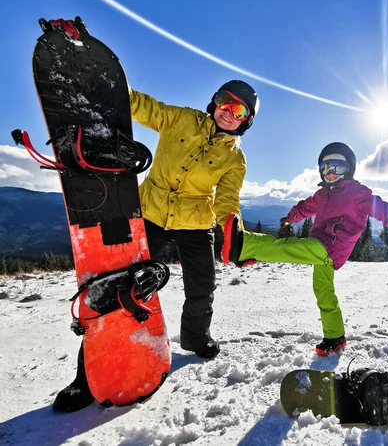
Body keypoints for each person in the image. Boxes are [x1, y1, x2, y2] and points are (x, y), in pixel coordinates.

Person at [52, 80, 259, 412]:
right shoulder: (182, 119)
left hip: (195, 223)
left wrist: (232, 228)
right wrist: (114, 87)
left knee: (203, 286)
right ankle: (86, 379)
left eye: (238, 109)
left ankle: (195, 337)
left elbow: (227, 200)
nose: (228, 111)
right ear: (214, 101)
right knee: (119, 284)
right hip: (150, 214)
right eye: (224, 101)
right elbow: (145, 107)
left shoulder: (236, 159)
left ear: (246, 121)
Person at [221, 142, 388, 356]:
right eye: (326, 168)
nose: (330, 173)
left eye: (337, 167)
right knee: (324, 293)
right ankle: (335, 337)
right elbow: (305, 207)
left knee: (285, 247)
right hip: (322, 249)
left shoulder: (359, 195)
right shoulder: (323, 194)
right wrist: (289, 219)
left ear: (349, 169)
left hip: (331, 247)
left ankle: (244, 245)